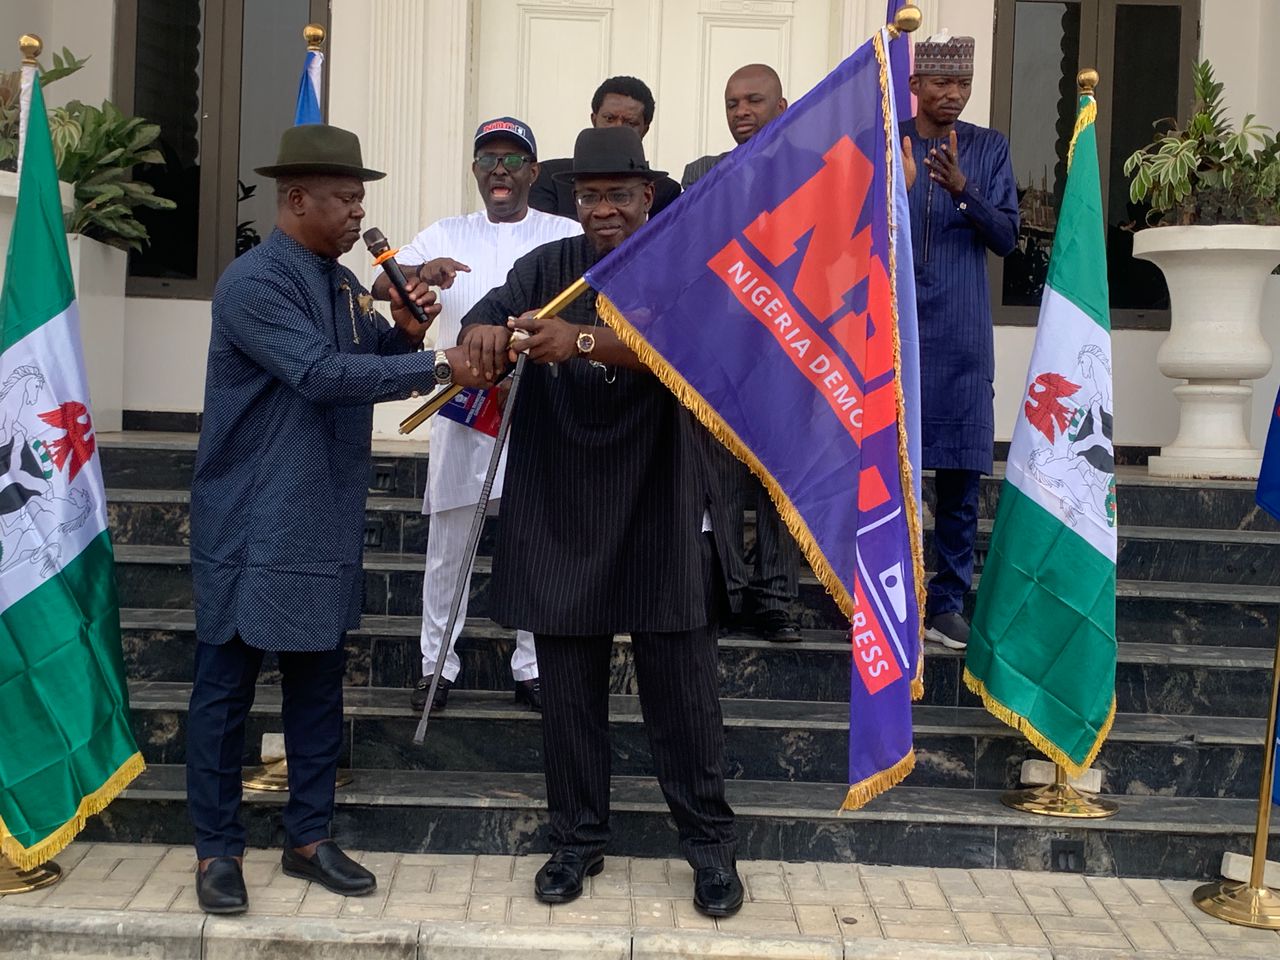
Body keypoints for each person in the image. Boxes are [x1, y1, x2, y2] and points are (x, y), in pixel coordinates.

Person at [186, 124, 490, 915]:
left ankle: (308, 838)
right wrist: (439, 362)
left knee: (318, 689)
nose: (359, 213)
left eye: (360, 199)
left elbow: (365, 359)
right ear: (296, 199)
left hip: (320, 514)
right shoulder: (254, 284)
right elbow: (320, 374)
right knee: (225, 692)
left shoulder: (342, 282)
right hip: (253, 520)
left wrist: (407, 332)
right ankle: (217, 850)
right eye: (345, 199)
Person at [460, 126, 743, 918]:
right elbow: (486, 316)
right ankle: (576, 842)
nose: (604, 208)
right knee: (569, 699)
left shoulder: (681, 263)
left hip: (660, 499)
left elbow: (685, 354)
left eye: (619, 194)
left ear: (647, 195)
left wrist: (580, 338)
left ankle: (710, 849)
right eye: (590, 196)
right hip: (562, 504)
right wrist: (483, 331)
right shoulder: (546, 267)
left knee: (683, 697)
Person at [371, 117, 581, 713]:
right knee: (449, 548)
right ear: (474, 171)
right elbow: (381, 285)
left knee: (538, 543)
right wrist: (418, 274)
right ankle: (436, 667)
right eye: (489, 160)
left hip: (539, 414)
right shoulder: (447, 233)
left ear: (533, 172)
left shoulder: (562, 233)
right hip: (463, 412)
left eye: (513, 160)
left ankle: (532, 668)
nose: (500, 170)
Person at [899, 33, 1019, 650]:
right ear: (915, 85)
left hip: (962, 332)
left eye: (963, 84)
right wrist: (901, 188)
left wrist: (961, 191)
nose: (953, 94)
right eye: (942, 82)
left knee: (960, 474)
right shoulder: (889, 139)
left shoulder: (988, 148)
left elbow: (1006, 238)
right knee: (890, 470)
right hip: (898, 332)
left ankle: (946, 604)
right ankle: (891, 596)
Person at [681, 64, 802, 643]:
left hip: (789, 352)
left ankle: (777, 601)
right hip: (722, 351)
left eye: (754, 100)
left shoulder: (814, 171)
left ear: (783, 107)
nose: (741, 112)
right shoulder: (702, 174)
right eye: (732, 103)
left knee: (780, 485)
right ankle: (730, 596)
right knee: (723, 484)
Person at [530, 76, 682, 220]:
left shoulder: (666, 191)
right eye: (609, 119)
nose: (617, 128)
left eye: (630, 123)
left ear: (645, 130)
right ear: (594, 119)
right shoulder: (549, 177)